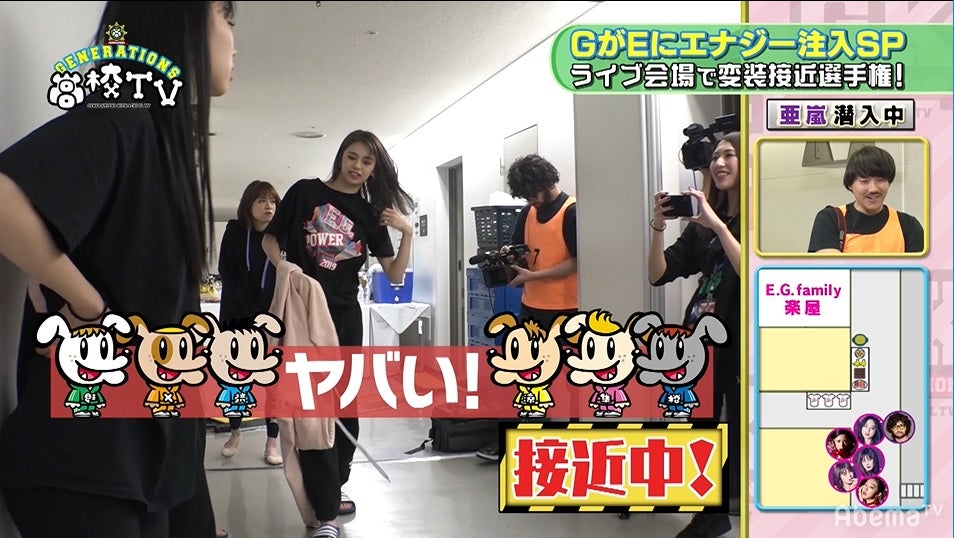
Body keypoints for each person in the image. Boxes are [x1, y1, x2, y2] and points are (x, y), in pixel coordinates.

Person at [0, 2, 235, 537]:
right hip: (87, 462)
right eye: (227, 17)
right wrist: (89, 305)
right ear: (179, 22)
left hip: (145, 458)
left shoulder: (157, 141)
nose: (233, 39)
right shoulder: (123, 117)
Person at [262, 129, 415, 538]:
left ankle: (333, 486)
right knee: (313, 409)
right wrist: (284, 266)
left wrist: (407, 232)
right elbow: (270, 239)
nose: (357, 166)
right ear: (340, 156)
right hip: (303, 315)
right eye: (352, 156)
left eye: (367, 161)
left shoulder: (370, 211)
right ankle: (325, 512)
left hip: (345, 319)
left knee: (346, 408)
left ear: (374, 169)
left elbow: (394, 274)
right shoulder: (305, 192)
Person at [648, 132, 741, 538]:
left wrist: (717, 224)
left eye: (729, 155)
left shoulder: (758, 217)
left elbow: (753, 272)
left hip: (744, 338)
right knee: (699, 423)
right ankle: (709, 511)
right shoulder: (701, 226)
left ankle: (739, 503)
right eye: (715, 156)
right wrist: (657, 226)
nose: (719, 163)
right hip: (701, 341)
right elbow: (658, 274)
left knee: (741, 422)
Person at [474, 153, 579, 462]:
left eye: (531, 193)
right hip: (531, 306)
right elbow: (522, 250)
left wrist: (535, 276)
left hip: (566, 310)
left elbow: (578, 262)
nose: (530, 200)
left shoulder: (572, 212)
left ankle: (570, 445)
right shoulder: (528, 212)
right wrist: (511, 255)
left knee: (569, 382)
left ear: (546, 183)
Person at [217, 180, 283, 465]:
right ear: (249, 205)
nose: (269, 206)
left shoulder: (280, 237)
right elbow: (227, 272)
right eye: (261, 200)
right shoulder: (235, 232)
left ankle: (272, 441)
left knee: (273, 380)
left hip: (271, 317)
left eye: (272, 201)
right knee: (234, 378)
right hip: (237, 317)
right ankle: (235, 432)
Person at [807, 145, 924, 253]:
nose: (873, 189)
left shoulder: (908, 225)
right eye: (864, 181)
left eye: (880, 180)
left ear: (889, 182)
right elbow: (829, 267)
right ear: (850, 184)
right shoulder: (830, 219)